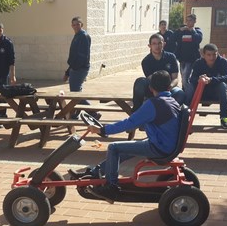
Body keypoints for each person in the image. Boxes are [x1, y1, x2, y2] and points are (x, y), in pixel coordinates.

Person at [69, 70, 181, 202]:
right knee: (124, 150)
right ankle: (95, 172)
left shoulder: (154, 104)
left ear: (150, 88)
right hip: (166, 143)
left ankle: (111, 188)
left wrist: (102, 130)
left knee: (114, 148)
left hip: (160, 147)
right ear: (169, 87)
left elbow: (129, 123)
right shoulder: (171, 100)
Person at [132, 33, 185, 112]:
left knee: (180, 93)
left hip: (168, 89)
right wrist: (156, 91)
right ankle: (136, 112)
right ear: (149, 46)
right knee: (140, 81)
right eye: (154, 44)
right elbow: (151, 79)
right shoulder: (146, 61)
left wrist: (170, 86)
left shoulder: (171, 57)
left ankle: (171, 114)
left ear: (164, 44)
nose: (157, 46)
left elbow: (175, 79)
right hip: (153, 89)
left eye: (159, 43)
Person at [64, 16, 100, 119]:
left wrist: (74, 69)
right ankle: (75, 114)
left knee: (75, 94)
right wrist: (68, 72)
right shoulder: (77, 35)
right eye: (74, 24)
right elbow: (74, 56)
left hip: (80, 69)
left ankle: (93, 113)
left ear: (81, 25)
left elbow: (83, 56)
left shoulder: (83, 36)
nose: (75, 26)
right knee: (76, 93)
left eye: (77, 24)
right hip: (75, 68)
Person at [190, 43, 227, 129]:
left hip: (217, 92)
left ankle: (224, 118)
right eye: (209, 55)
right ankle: (187, 118)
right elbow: (192, 79)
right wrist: (199, 79)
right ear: (203, 55)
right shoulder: (198, 63)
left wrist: (211, 80)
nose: (212, 57)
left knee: (222, 85)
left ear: (217, 53)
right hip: (202, 92)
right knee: (188, 89)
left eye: (214, 54)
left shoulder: (223, 62)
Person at [174, 14, 203, 96]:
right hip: (182, 58)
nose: (188, 22)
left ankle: (189, 98)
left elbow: (198, 39)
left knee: (185, 79)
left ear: (194, 21)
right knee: (183, 77)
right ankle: (185, 94)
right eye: (187, 20)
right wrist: (179, 30)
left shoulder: (197, 30)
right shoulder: (183, 30)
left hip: (191, 59)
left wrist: (192, 31)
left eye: (190, 20)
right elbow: (173, 38)